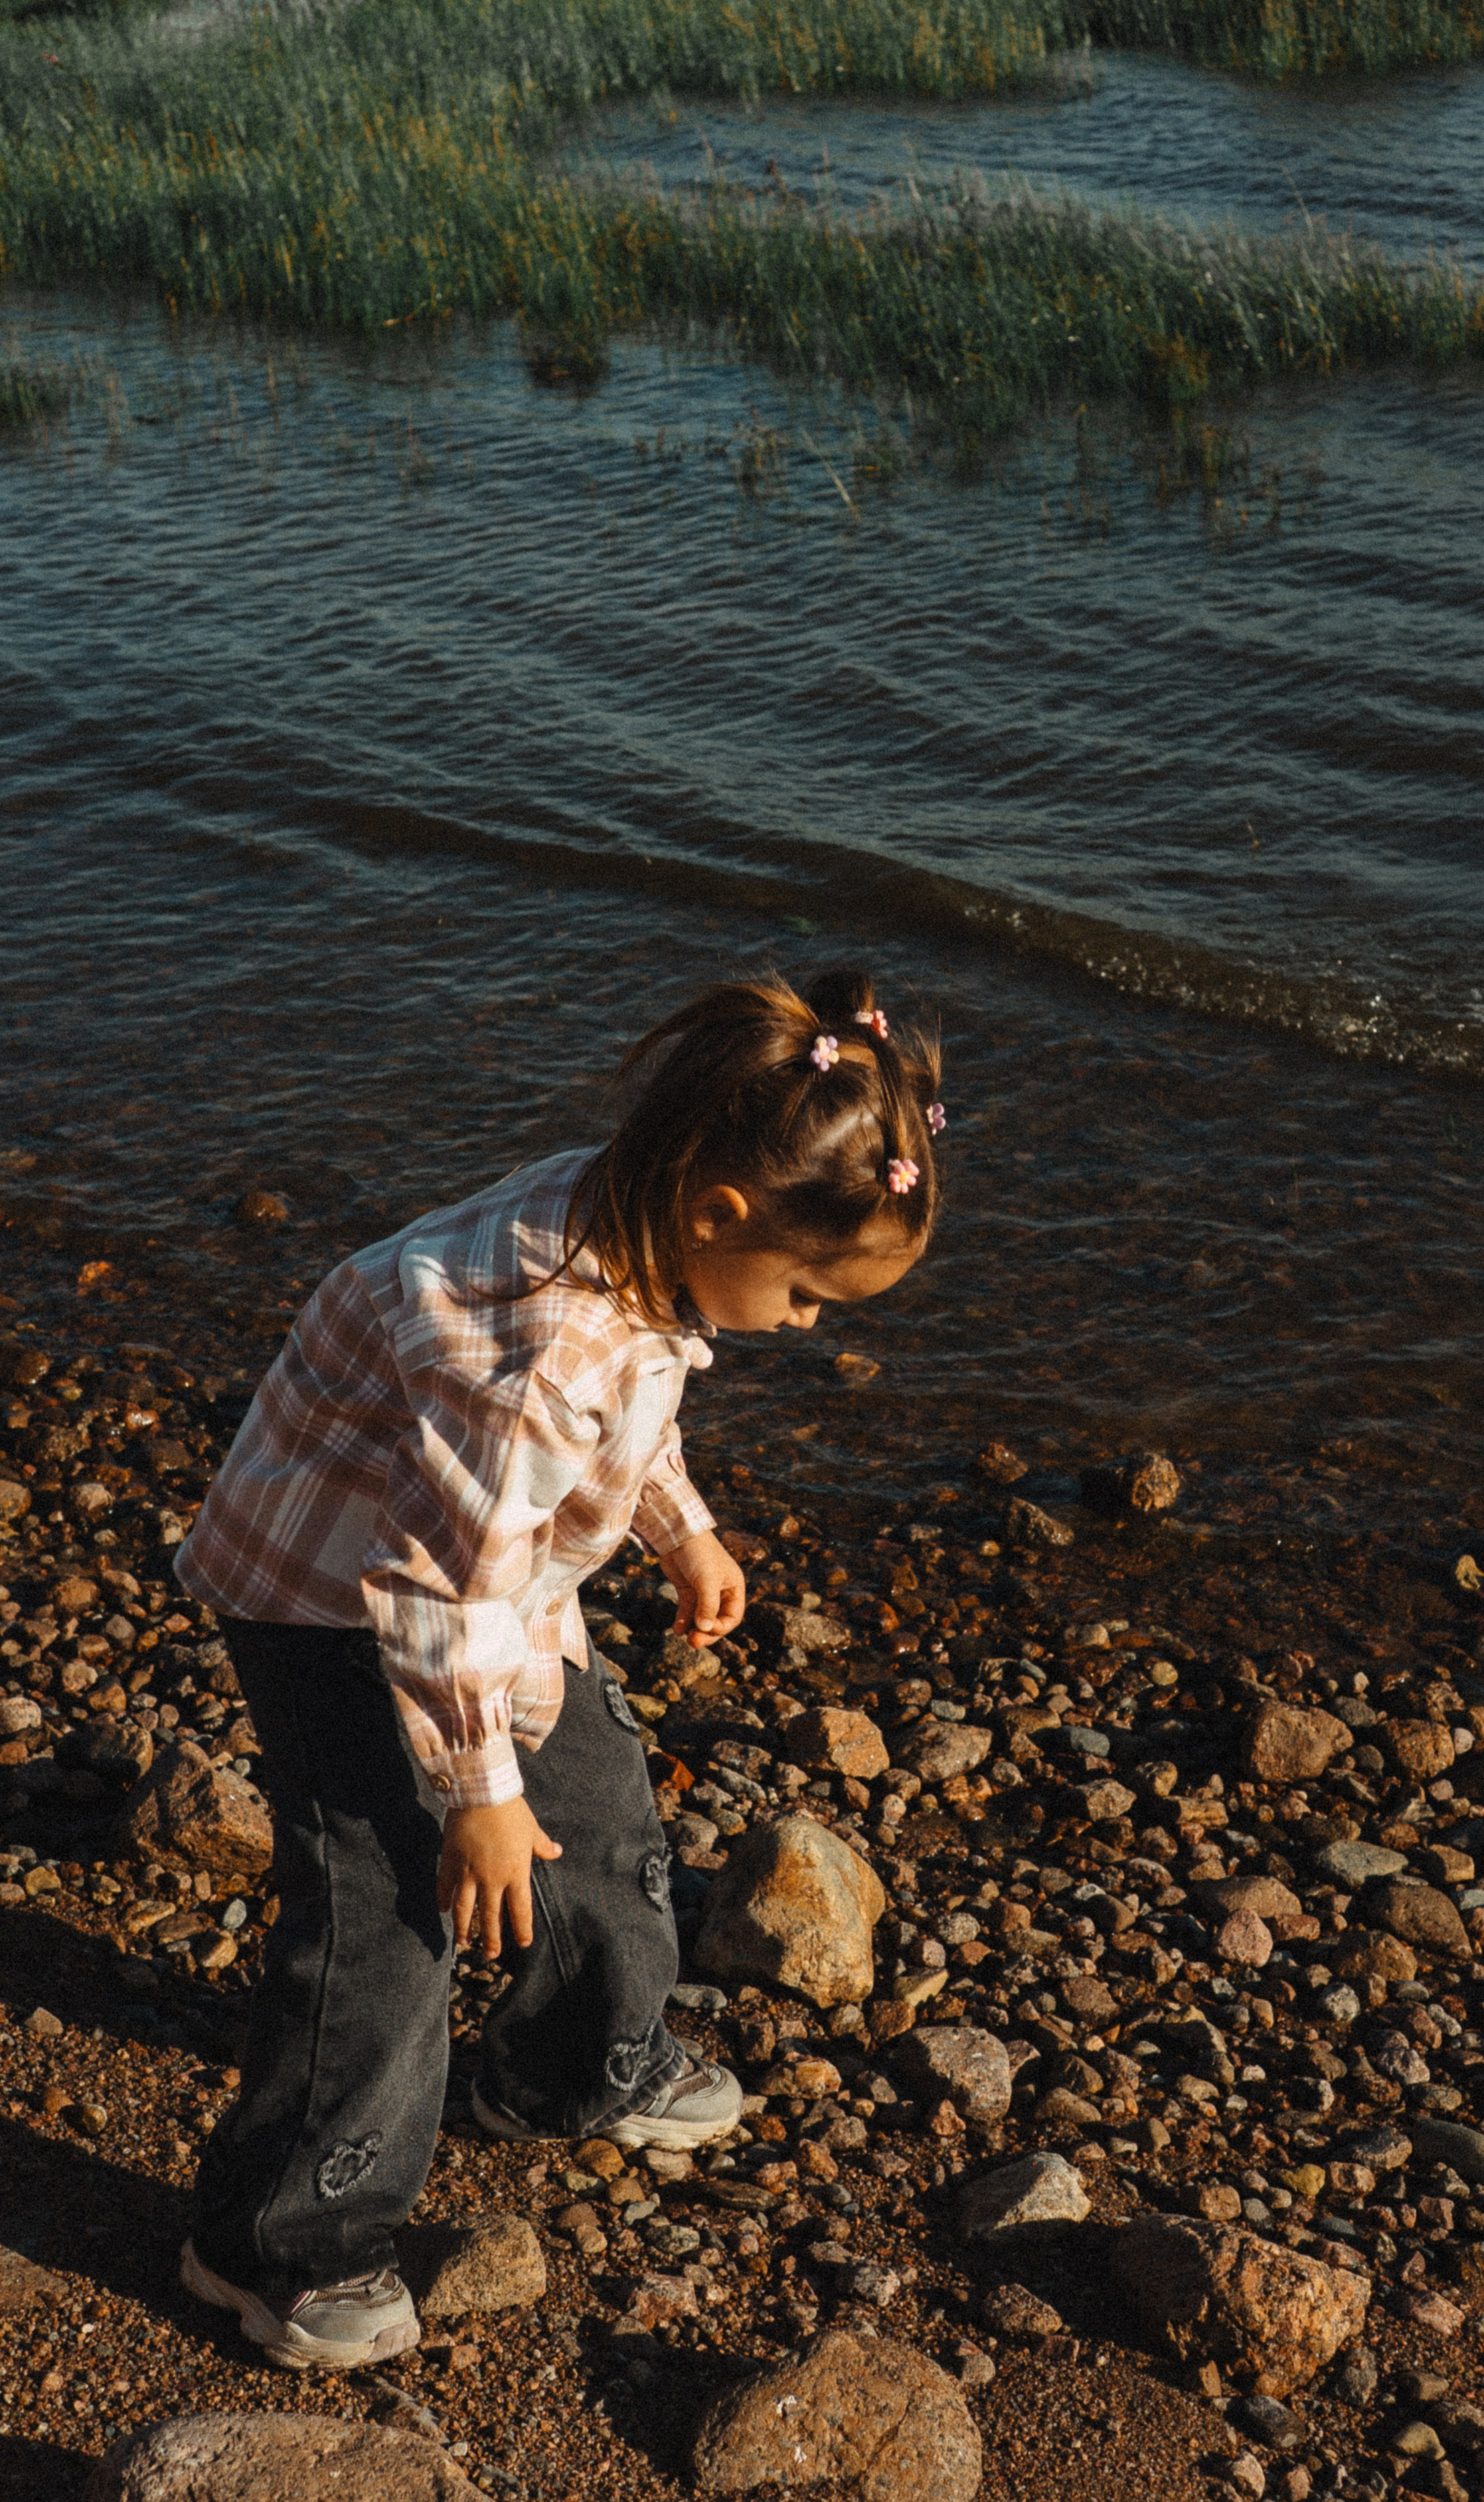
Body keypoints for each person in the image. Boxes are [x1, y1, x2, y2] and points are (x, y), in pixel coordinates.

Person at [170, 967, 943, 2370]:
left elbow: (629, 1410)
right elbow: (432, 1581)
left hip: (488, 1592)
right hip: (333, 1597)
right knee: (391, 1904)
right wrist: (473, 1792)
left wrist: (681, 1531)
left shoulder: (639, 1214)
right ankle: (274, 2244)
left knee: (595, 1811)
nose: (805, 1325)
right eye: (807, 1291)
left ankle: (567, 2068)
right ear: (718, 1214)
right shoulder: (530, 1346)